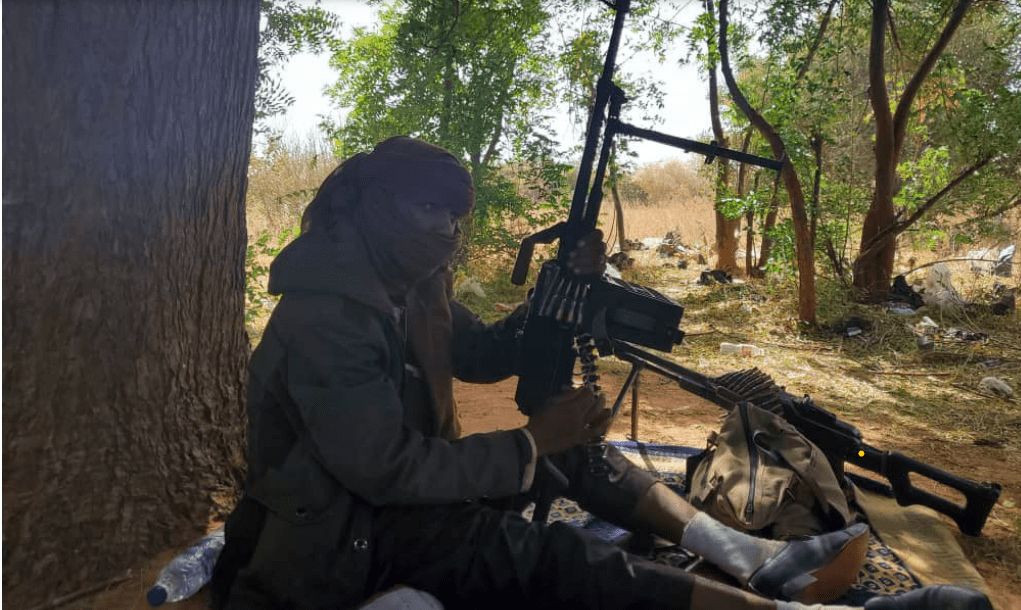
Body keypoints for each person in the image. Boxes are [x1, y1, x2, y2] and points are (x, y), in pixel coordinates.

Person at [211, 136, 991, 610]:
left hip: (389, 508)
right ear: (375, 209)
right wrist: (526, 446)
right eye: (429, 213)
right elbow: (384, 469)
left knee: (573, 452)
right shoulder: (326, 316)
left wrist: (561, 292)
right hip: (334, 541)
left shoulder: (405, 285)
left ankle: (747, 555)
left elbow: (478, 356)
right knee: (550, 558)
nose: (446, 232)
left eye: (455, 217)